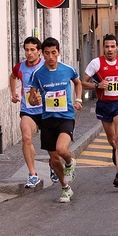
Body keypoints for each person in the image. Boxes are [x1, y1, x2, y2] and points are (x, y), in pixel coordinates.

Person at [29, 37, 82, 203]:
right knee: (53, 159)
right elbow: (31, 97)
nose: (50, 56)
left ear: (58, 52)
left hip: (65, 116)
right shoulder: (38, 74)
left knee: (61, 149)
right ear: (42, 54)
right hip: (47, 118)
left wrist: (79, 99)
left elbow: (78, 83)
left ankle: (70, 161)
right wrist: (34, 100)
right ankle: (65, 188)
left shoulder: (68, 69)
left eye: (53, 52)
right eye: (47, 53)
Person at [82, 34, 118, 188]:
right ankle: (115, 149)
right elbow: (83, 83)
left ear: (117, 47)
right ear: (103, 47)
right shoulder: (95, 63)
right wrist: (97, 86)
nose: (110, 49)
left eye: (112, 46)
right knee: (112, 140)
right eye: (107, 46)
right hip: (104, 105)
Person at [10, 36, 58, 188]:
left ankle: (53, 164)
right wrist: (14, 93)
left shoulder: (47, 65)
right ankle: (32, 174)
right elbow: (13, 77)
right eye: (26, 50)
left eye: (32, 50)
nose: (29, 53)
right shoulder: (20, 67)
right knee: (26, 137)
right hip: (28, 110)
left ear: (39, 52)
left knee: (52, 147)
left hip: (47, 110)